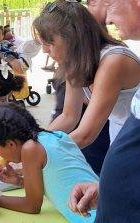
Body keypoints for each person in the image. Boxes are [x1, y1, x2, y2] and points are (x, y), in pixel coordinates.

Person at [33, 0, 140, 149]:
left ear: (72, 38)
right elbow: (68, 117)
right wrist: (34, 143)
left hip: (134, 136)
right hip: (120, 135)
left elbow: (85, 135)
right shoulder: (74, 62)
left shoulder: (113, 61)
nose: (44, 50)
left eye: (49, 43)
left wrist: (35, 153)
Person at [70, 0, 140, 222]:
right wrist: (106, 185)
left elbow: (85, 132)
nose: (107, 20)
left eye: (111, 6)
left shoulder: (114, 60)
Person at [0, 102, 99, 223]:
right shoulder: (56, 136)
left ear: (10, 144)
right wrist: (19, 181)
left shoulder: (30, 149)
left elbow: (32, 206)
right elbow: (58, 182)